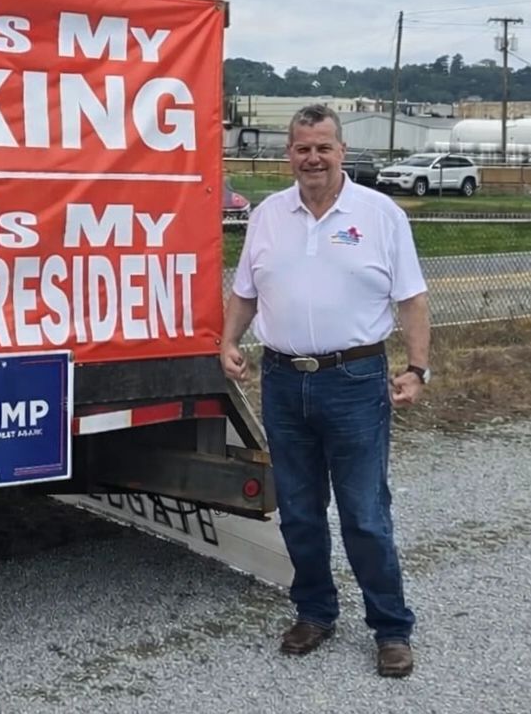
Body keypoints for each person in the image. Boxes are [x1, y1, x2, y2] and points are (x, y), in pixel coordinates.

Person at [220, 104, 430, 679]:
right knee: (299, 512)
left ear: (342, 152)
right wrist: (228, 340)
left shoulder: (381, 214)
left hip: (354, 381)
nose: (313, 158)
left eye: (323, 147)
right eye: (302, 148)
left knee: (364, 513)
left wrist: (417, 368)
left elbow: (412, 299)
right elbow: (245, 291)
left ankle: (390, 627)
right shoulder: (267, 215)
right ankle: (314, 612)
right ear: (289, 153)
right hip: (283, 382)